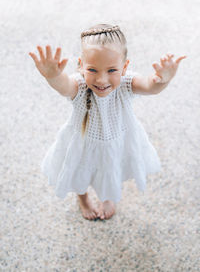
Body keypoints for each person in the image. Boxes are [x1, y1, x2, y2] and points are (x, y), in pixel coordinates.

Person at [29, 23, 186, 221]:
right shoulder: (79, 84)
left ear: (124, 67)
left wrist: (163, 80)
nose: (102, 80)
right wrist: (53, 76)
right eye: (93, 69)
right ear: (81, 65)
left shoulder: (127, 82)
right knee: (80, 171)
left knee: (112, 169)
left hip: (116, 140)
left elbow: (150, 86)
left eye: (112, 70)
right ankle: (83, 198)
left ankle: (108, 197)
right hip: (83, 143)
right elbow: (64, 86)